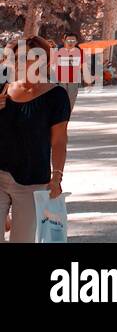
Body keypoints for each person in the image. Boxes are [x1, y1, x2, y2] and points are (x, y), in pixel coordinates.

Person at [0, 37, 71, 243]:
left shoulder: (56, 96)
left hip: (32, 181)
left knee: (22, 239)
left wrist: (57, 176)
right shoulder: (1, 89)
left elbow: (58, 141)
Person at [53, 33, 83, 112]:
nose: (70, 42)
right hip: (61, 78)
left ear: (76, 41)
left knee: (71, 98)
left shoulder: (79, 50)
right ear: (64, 41)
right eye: (68, 40)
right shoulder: (59, 49)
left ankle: (67, 113)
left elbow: (80, 64)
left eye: (73, 40)